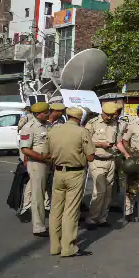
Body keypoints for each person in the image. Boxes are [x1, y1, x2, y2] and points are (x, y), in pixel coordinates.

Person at [48, 107, 94, 257]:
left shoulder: (53, 130)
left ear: (67, 116)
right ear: (80, 118)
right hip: (75, 173)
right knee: (71, 211)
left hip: (58, 172)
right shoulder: (82, 132)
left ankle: (55, 247)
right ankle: (68, 248)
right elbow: (91, 157)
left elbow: (45, 154)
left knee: (56, 210)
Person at [84, 102, 119, 229]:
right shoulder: (93, 123)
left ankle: (102, 218)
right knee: (99, 191)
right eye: (107, 115)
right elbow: (85, 141)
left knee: (108, 192)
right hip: (97, 160)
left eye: (112, 115)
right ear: (102, 112)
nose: (109, 117)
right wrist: (100, 144)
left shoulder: (116, 124)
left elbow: (118, 141)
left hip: (111, 160)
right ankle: (92, 219)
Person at [19, 102, 51, 237]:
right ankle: (38, 227)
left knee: (45, 194)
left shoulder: (48, 125)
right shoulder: (29, 127)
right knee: (38, 195)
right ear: (38, 114)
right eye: (46, 112)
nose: (48, 114)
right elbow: (25, 149)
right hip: (37, 164)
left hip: (48, 163)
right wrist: (42, 158)